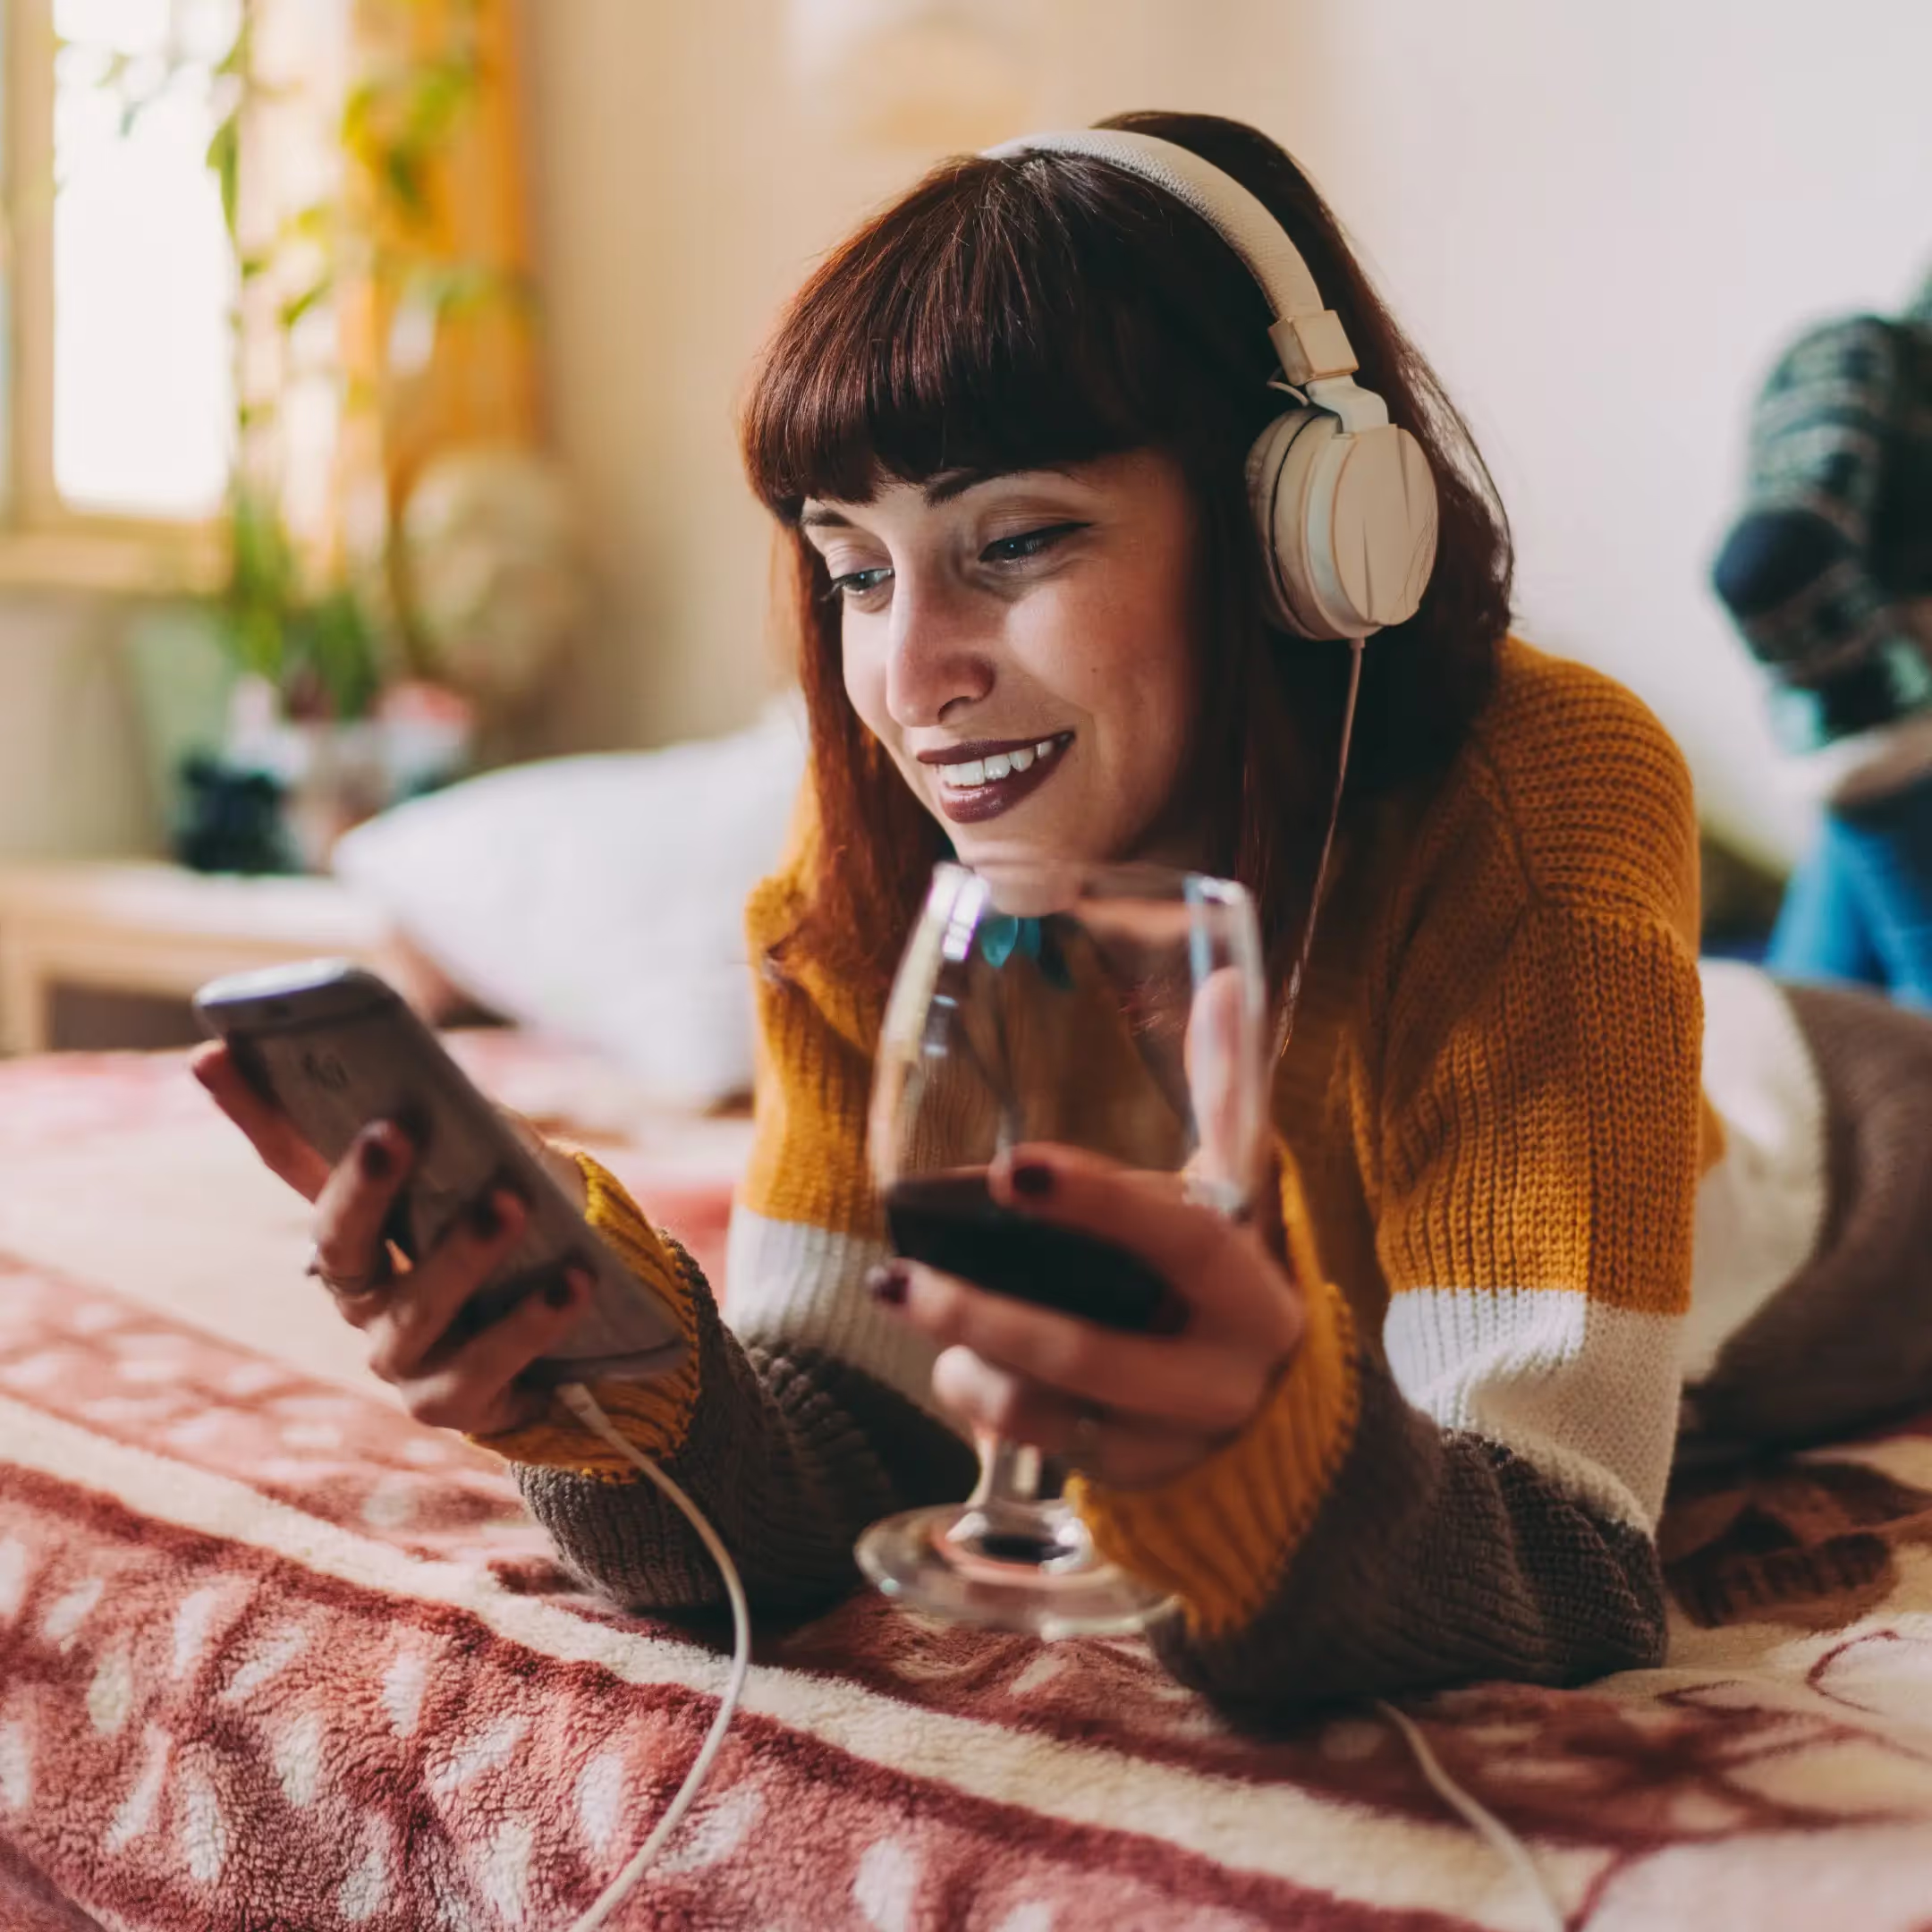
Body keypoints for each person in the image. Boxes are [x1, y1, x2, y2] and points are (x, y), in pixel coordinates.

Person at [195, 113, 1932, 1721]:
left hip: (1846, 1144)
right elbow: (842, 1452)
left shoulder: (1543, 792)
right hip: (1692, 1012)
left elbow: (1561, 1567)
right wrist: (594, 1384)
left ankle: (1882, 757)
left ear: (1296, 530)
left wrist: (1237, 1453)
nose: (911, 674)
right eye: (855, 567)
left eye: (1015, 541)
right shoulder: (873, 859)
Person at [1711, 269, 1932, 1003]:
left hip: (1870, 752)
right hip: (1895, 749)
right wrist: (1877, 701)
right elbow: (1770, 561)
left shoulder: (1868, 365)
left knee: (1808, 1012)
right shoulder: (1866, 366)